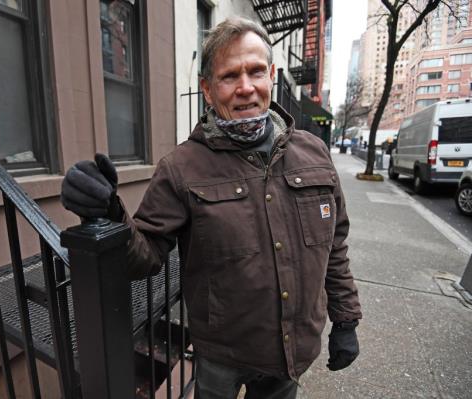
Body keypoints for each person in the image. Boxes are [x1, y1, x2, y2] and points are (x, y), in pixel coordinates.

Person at [61, 17, 362, 399]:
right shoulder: (182, 168)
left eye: (255, 71)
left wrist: (346, 319)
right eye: (229, 76)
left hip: (294, 349)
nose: (245, 88)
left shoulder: (314, 153)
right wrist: (108, 214)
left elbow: (334, 244)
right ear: (206, 88)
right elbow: (146, 255)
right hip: (222, 356)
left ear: (271, 75)